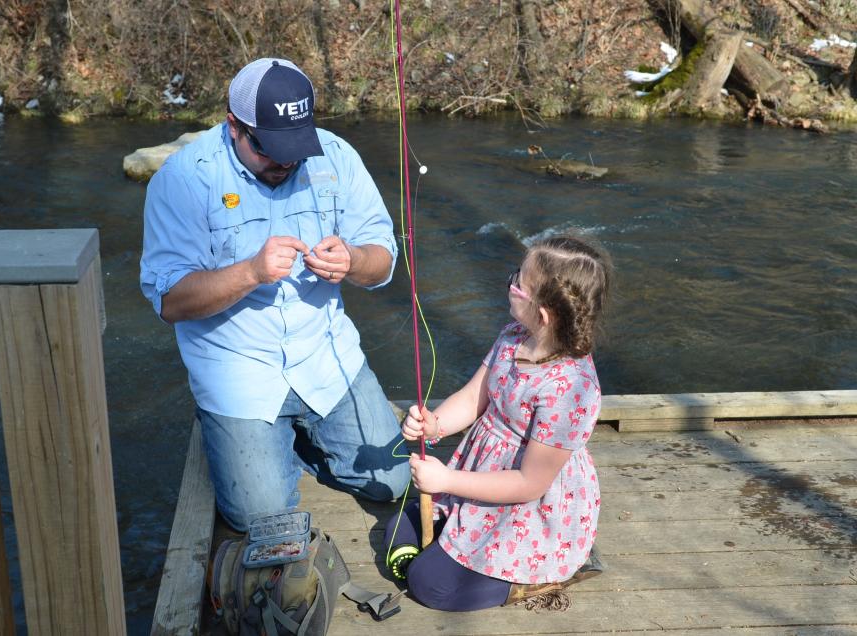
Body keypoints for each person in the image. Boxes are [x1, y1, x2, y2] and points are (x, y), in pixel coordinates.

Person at [140, 57, 409, 531]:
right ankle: (251, 444)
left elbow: (383, 260)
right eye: (268, 149)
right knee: (260, 518)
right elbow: (170, 302)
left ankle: (288, 445)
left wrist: (354, 260)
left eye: (294, 149)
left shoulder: (336, 155)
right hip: (237, 372)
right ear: (234, 127)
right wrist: (248, 272)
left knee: (392, 481)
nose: (284, 162)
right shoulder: (184, 179)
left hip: (326, 358)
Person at [384, 236, 612, 611]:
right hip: (482, 477)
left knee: (430, 585)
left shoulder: (572, 390)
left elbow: (529, 483)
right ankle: (449, 551)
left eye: (518, 282)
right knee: (397, 530)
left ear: (543, 314)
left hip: (528, 504)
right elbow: (474, 398)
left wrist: (446, 481)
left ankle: (544, 575)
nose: (510, 285)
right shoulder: (512, 338)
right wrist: (435, 424)